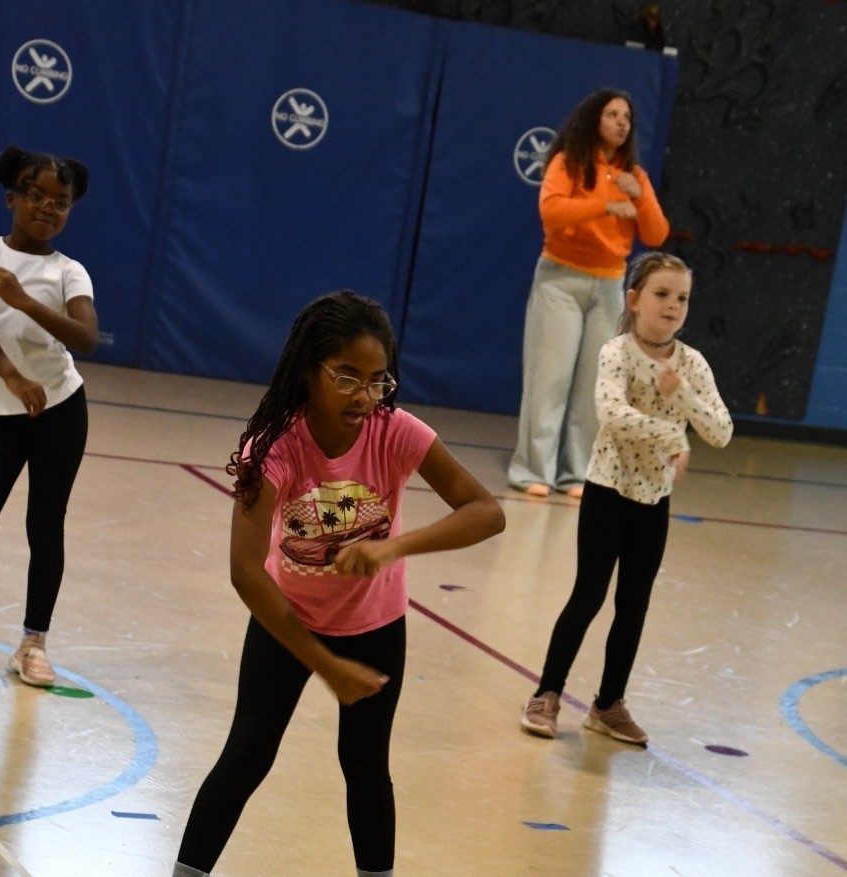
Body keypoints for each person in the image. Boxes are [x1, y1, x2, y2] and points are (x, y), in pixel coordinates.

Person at [172, 290, 505, 877]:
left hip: (376, 624)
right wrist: (323, 663)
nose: (365, 395)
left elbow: (486, 511)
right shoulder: (273, 446)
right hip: (286, 620)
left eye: (379, 380)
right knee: (247, 753)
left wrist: (393, 547)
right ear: (310, 371)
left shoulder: (396, 431)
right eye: (348, 377)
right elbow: (246, 571)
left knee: (366, 765)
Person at [519, 252, 732, 745]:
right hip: (607, 491)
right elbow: (611, 413)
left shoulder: (692, 364)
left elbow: (720, 430)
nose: (673, 306)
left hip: (653, 500)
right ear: (634, 300)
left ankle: (607, 704)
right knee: (588, 595)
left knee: (633, 604)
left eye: (682, 298)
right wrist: (674, 438)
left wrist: (683, 397)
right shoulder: (616, 352)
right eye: (662, 294)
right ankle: (546, 693)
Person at [0, 145, 98, 687]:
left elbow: (86, 337)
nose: (48, 208)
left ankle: (33, 643)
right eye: (37, 196)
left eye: (61, 202)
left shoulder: (69, 271)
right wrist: (12, 377)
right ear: (12, 198)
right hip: (3, 411)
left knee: (45, 527)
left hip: (60, 411)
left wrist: (24, 302)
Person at [508, 88, 670, 499]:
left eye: (627, 117)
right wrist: (605, 205)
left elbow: (655, 233)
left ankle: (576, 473)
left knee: (593, 386)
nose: (621, 122)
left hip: (610, 284)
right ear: (594, 119)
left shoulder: (635, 175)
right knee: (550, 379)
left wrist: (640, 196)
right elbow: (552, 212)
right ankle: (532, 470)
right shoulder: (569, 163)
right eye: (613, 114)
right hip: (560, 280)